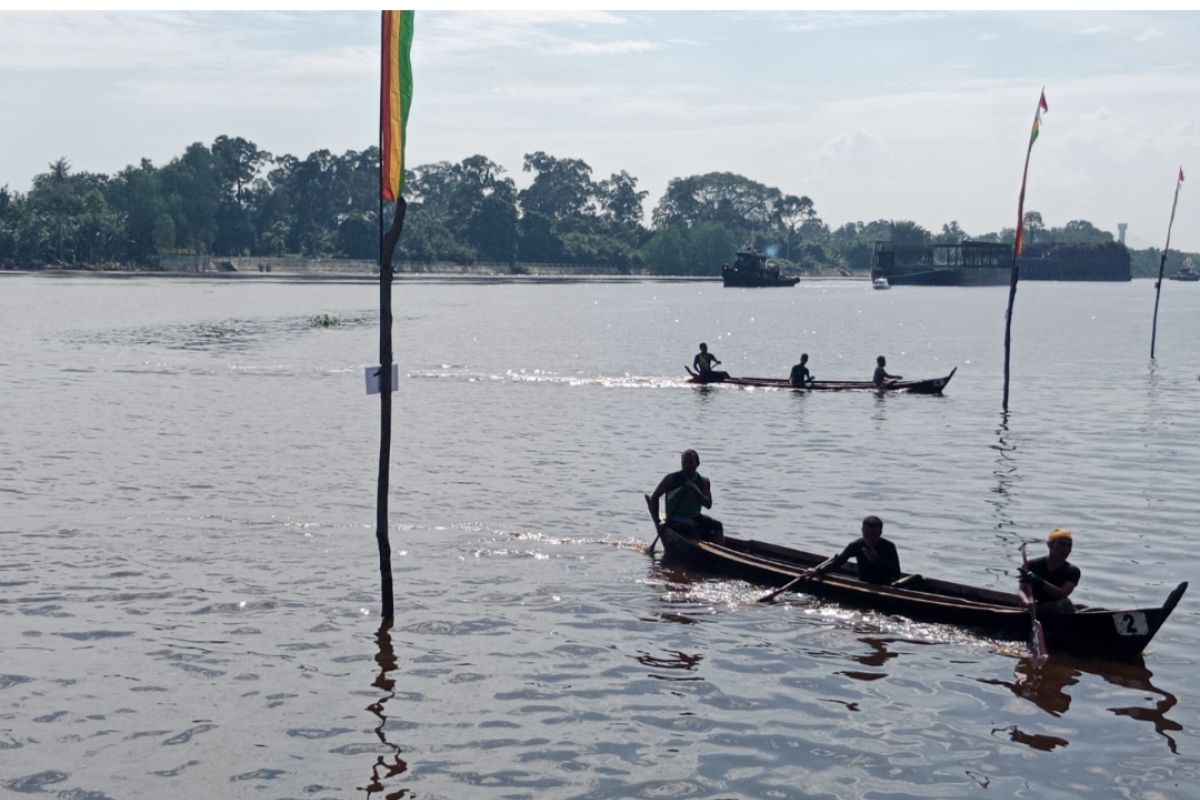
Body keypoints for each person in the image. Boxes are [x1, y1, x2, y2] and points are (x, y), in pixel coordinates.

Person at [802, 515, 901, 585]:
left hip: (884, 585)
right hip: (864, 583)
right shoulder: (856, 545)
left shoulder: (889, 546)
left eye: (874, 536)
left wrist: (876, 560)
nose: (870, 540)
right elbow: (839, 562)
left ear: (880, 533)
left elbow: (896, 574)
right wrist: (818, 571)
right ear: (862, 531)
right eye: (867, 535)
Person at [649, 449, 724, 542]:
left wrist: (695, 489)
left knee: (717, 526)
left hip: (695, 516)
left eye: (691, 462)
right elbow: (654, 498)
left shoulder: (703, 481)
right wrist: (658, 522)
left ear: (697, 464)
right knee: (693, 526)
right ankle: (694, 550)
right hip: (675, 518)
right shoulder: (672, 479)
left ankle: (719, 550)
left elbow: (708, 504)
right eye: (685, 462)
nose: (687, 465)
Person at [1019, 528, 1079, 613]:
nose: (1065, 549)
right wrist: (1026, 602)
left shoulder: (1072, 571)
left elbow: (1062, 594)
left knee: (1065, 603)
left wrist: (1040, 581)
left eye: (1069, 545)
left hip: (1057, 608)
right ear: (1050, 545)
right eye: (1061, 544)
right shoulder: (1030, 565)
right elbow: (1022, 590)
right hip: (1035, 608)